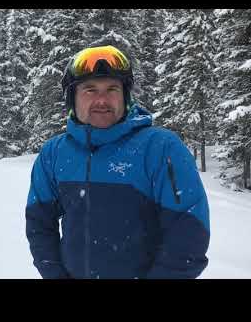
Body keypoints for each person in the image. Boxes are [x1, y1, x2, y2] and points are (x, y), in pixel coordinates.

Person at [25, 45, 210, 279]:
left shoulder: (160, 148)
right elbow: (39, 223)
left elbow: (189, 233)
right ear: (73, 98)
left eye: (112, 89)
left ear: (125, 95)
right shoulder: (54, 153)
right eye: (90, 90)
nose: (102, 100)